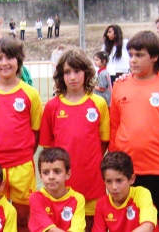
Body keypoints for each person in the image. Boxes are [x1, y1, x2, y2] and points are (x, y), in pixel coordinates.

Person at [110, 31, 159, 232]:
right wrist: (114, 166)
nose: (133, 60)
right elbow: (114, 127)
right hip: (128, 173)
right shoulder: (120, 86)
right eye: (131, 55)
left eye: (139, 55)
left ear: (154, 57)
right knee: (128, 225)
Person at [0, 37, 42, 232]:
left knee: (23, 218)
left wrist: (23, 153)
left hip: (21, 166)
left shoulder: (30, 94)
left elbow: (35, 131)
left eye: (10, 57)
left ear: (19, 61)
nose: (4, 63)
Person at [40, 49, 108, 229]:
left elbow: (104, 141)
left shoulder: (98, 103)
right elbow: (47, 148)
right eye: (67, 72)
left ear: (87, 73)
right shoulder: (53, 107)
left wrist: (90, 162)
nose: (72, 77)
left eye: (77, 71)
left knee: (91, 224)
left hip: (92, 181)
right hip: (64, 184)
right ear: (61, 76)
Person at [94, 151, 159, 232]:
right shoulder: (101, 204)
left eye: (119, 180)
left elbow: (148, 227)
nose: (114, 187)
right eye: (109, 181)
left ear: (132, 179)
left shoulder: (142, 194)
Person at [29, 148, 86, 232]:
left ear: (68, 174)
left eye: (57, 171)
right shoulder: (35, 198)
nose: (51, 177)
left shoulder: (78, 199)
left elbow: (78, 229)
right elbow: (50, 230)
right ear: (40, 176)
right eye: (46, 172)